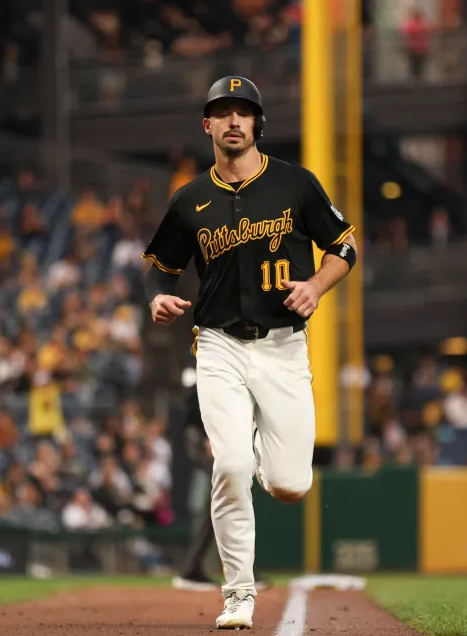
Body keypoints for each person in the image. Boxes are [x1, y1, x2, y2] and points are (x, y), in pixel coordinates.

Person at [143, 75, 358, 629]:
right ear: (208, 125)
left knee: (291, 485)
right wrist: (158, 297)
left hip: (284, 348)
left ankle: (261, 452)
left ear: (257, 123)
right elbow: (160, 269)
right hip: (217, 346)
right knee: (231, 465)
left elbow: (345, 245)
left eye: (244, 111)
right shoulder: (189, 200)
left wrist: (316, 285)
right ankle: (238, 592)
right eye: (223, 111)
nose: (234, 120)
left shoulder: (294, 184)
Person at [172, 387, 270, 593]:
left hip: (215, 434)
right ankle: (235, 570)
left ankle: (196, 568)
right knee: (227, 498)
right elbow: (196, 396)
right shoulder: (215, 360)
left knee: (224, 501)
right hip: (204, 435)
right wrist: (208, 434)